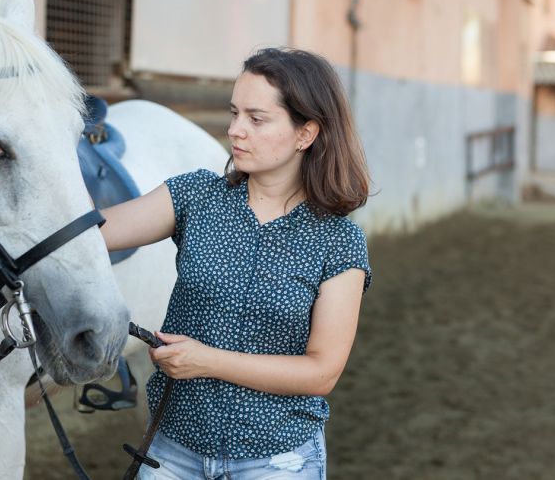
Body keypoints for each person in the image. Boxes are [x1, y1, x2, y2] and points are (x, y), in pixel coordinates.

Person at [100, 47, 372, 479]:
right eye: (234, 113)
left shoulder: (338, 240)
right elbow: (89, 234)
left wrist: (207, 361)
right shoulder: (195, 196)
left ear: (306, 133)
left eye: (256, 119)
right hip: (171, 452)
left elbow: (321, 372)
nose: (234, 131)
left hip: (277, 460)